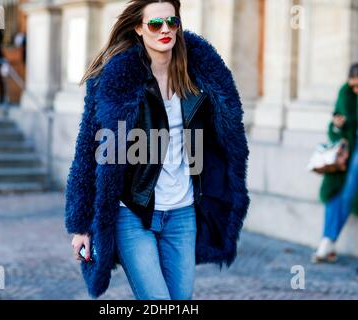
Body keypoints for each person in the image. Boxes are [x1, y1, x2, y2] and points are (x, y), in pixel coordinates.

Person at [65, 0, 250, 299]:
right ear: (138, 28)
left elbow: (222, 141)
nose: (165, 29)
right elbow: (88, 150)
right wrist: (81, 224)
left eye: (172, 22)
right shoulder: (116, 80)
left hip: (182, 213)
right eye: (155, 24)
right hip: (132, 214)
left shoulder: (200, 76)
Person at [312, 63, 358, 263]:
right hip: (344, 147)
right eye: (353, 85)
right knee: (332, 193)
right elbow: (333, 125)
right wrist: (337, 126)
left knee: (350, 192)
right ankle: (327, 244)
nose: (356, 90)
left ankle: (327, 242)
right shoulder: (344, 93)